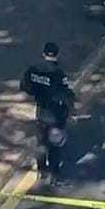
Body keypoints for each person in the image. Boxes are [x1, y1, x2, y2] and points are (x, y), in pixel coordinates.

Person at [21, 42, 74, 187]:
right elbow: (66, 94)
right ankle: (55, 177)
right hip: (56, 115)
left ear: (43, 53)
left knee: (41, 143)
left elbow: (25, 86)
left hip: (41, 113)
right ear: (57, 54)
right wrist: (71, 110)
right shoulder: (58, 73)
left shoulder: (34, 70)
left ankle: (42, 171)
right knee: (55, 147)